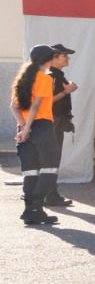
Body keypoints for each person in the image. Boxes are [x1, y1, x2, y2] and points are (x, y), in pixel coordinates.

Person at [12, 45, 64, 226]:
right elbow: (36, 107)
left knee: (30, 170)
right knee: (50, 168)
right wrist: (27, 129)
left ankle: (32, 210)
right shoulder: (44, 78)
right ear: (48, 60)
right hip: (41, 127)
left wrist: (23, 128)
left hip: (24, 129)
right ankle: (34, 206)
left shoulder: (22, 79)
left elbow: (13, 107)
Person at [44, 44, 78, 208]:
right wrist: (66, 91)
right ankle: (50, 196)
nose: (68, 58)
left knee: (52, 159)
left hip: (58, 120)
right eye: (65, 56)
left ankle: (49, 194)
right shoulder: (51, 76)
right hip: (53, 121)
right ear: (55, 57)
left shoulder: (57, 75)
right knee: (51, 159)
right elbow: (45, 101)